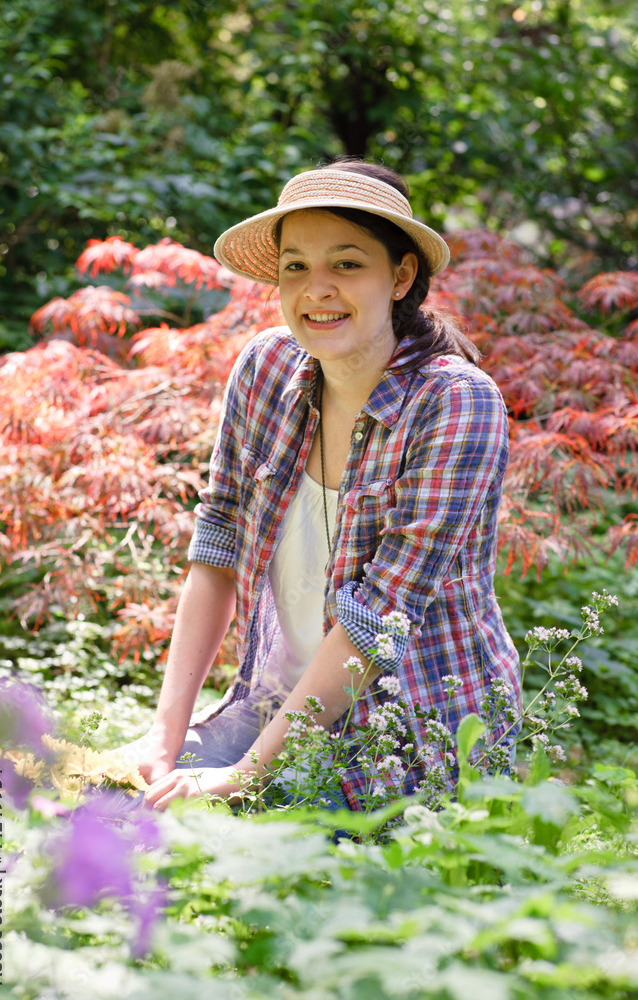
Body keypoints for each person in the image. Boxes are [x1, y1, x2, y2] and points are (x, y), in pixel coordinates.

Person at [121, 156, 521, 812]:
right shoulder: (265, 367)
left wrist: (242, 778)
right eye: (295, 267)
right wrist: (163, 740)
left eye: (346, 263)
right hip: (273, 713)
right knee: (96, 816)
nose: (316, 290)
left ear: (400, 275)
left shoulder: (453, 403)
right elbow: (216, 542)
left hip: (408, 741)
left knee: (251, 884)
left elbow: (379, 618)